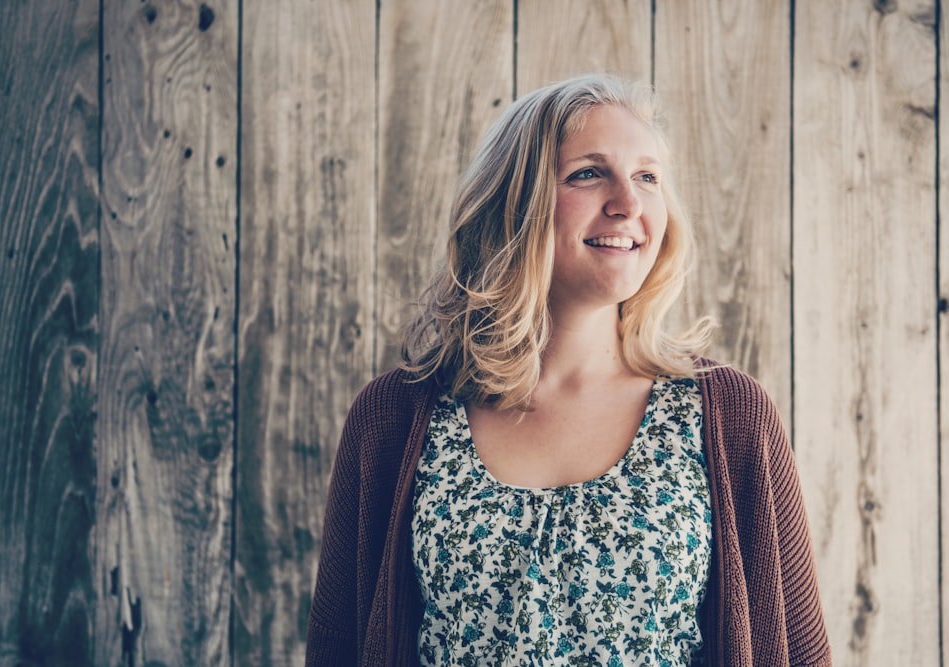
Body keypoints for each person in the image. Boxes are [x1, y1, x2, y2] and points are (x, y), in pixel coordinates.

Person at [306, 74, 831, 667]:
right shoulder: (395, 418)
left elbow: (796, 647)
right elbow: (338, 646)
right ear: (514, 202)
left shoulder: (728, 414)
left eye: (647, 177)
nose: (629, 204)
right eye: (588, 173)